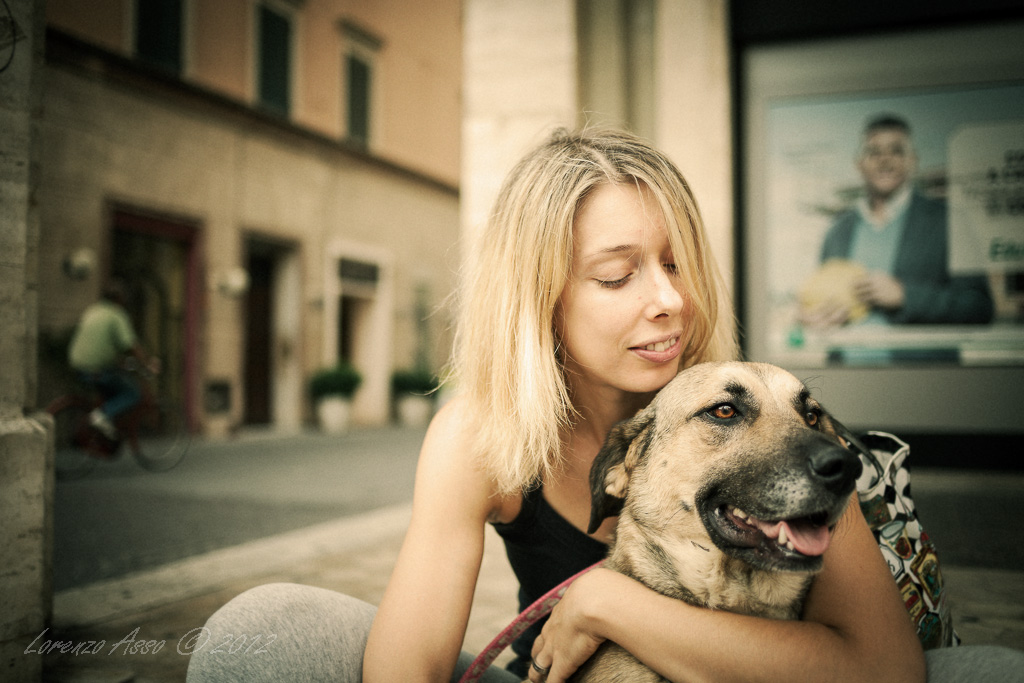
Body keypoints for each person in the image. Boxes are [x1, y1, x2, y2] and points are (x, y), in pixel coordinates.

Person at [186, 129, 1022, 682]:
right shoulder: (482, 437)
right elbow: (407, 673)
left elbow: (882, 669)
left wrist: (608, 601)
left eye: (676, 263)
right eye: (618, 276)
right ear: (540, 297)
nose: (669, 300)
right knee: (263, 629)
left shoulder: (770, 421)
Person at [802, 114, 994, 328]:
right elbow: (822, 308)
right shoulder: (838, 231)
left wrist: (905, 296)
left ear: (913, 160)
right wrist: (815, 316)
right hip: (847, 351)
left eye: (896, 151)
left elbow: (980, 307)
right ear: (859, 164)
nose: (885, 160)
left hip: (915, 352)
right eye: (874, 152)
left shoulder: (948, 221)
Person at [68, 280, 160, 440]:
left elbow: (102, 343)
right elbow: (130, 344)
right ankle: (102, 416)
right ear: (119, 299)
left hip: (77, 365)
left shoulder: (93, 310)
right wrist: (146, 363)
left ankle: (104, 429)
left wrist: (119, 360)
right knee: (132, 393)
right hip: (96, 368)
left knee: (113, 385)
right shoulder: (116, 314)